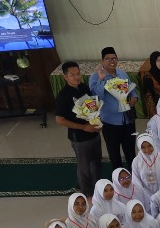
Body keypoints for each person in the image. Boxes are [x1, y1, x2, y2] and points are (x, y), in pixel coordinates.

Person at [55, 61, 104, 197]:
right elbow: (59, 119)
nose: (76, 77)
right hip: (80, 138)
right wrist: (83, 127)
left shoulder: (84, 88)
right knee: (85, 168)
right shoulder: (63, 95)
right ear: (65, 77)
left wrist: (96, 121)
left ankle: (98, 190)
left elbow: (91, 108)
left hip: (93, 133)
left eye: (78, 74)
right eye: (72, 75)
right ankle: (87, 194)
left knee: (97, 163)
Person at [88, 47, 138, 172]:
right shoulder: (95, 77)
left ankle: (135, 181)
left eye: (114, 58)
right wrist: (101, 80)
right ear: (102, 61)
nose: (112, 61)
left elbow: (132, 90)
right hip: (110, 123)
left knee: (131, 153)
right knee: (115, 155)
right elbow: (96, 98)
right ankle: (119, 183)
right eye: (108, 59)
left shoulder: (122, 73)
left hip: (127, 120)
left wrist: (134, 98)